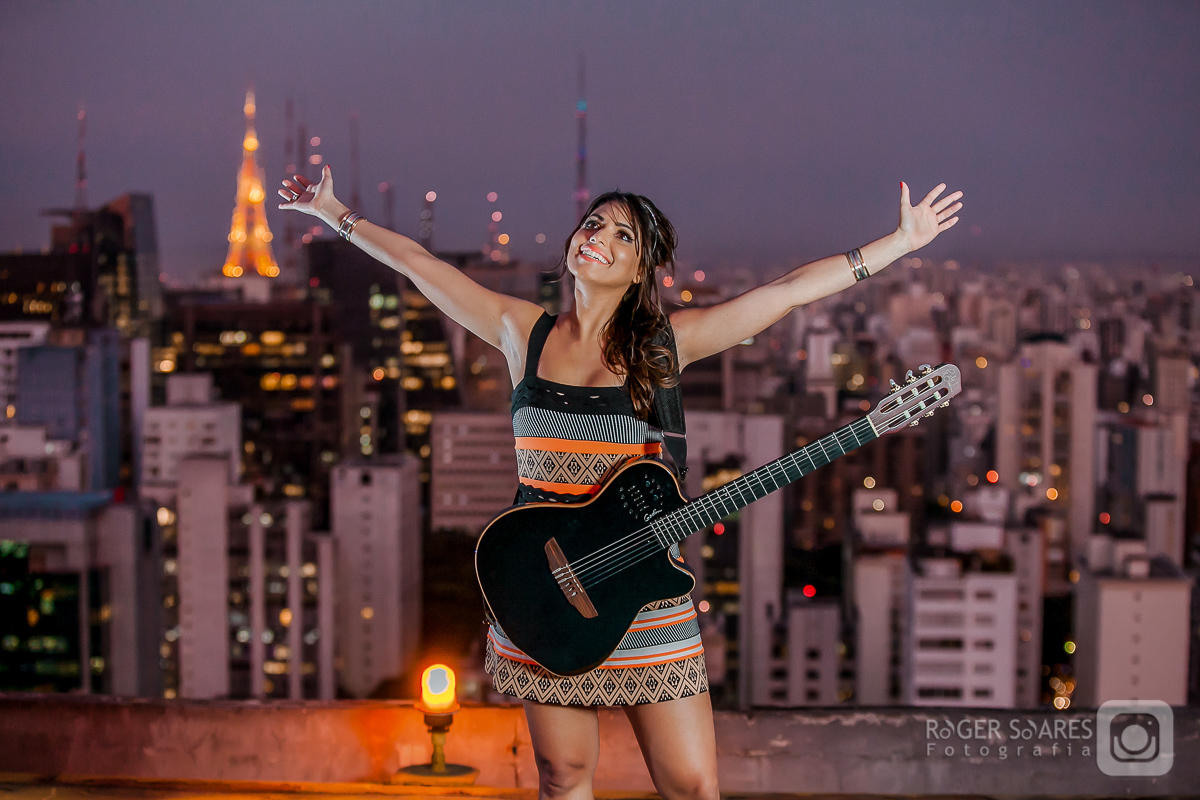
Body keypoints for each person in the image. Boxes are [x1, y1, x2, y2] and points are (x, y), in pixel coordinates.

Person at [279, 166, 962, 800]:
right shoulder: (524, 333)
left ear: (641, 269)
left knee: (693, 786)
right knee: (563, 777)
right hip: (542, 588)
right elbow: (420, 264)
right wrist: (332, 210)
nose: (598, 237)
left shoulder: (664, 345)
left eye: (622, 233)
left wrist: (896, 245)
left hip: (645, 602)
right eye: (593, 224)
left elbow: (779, 295)